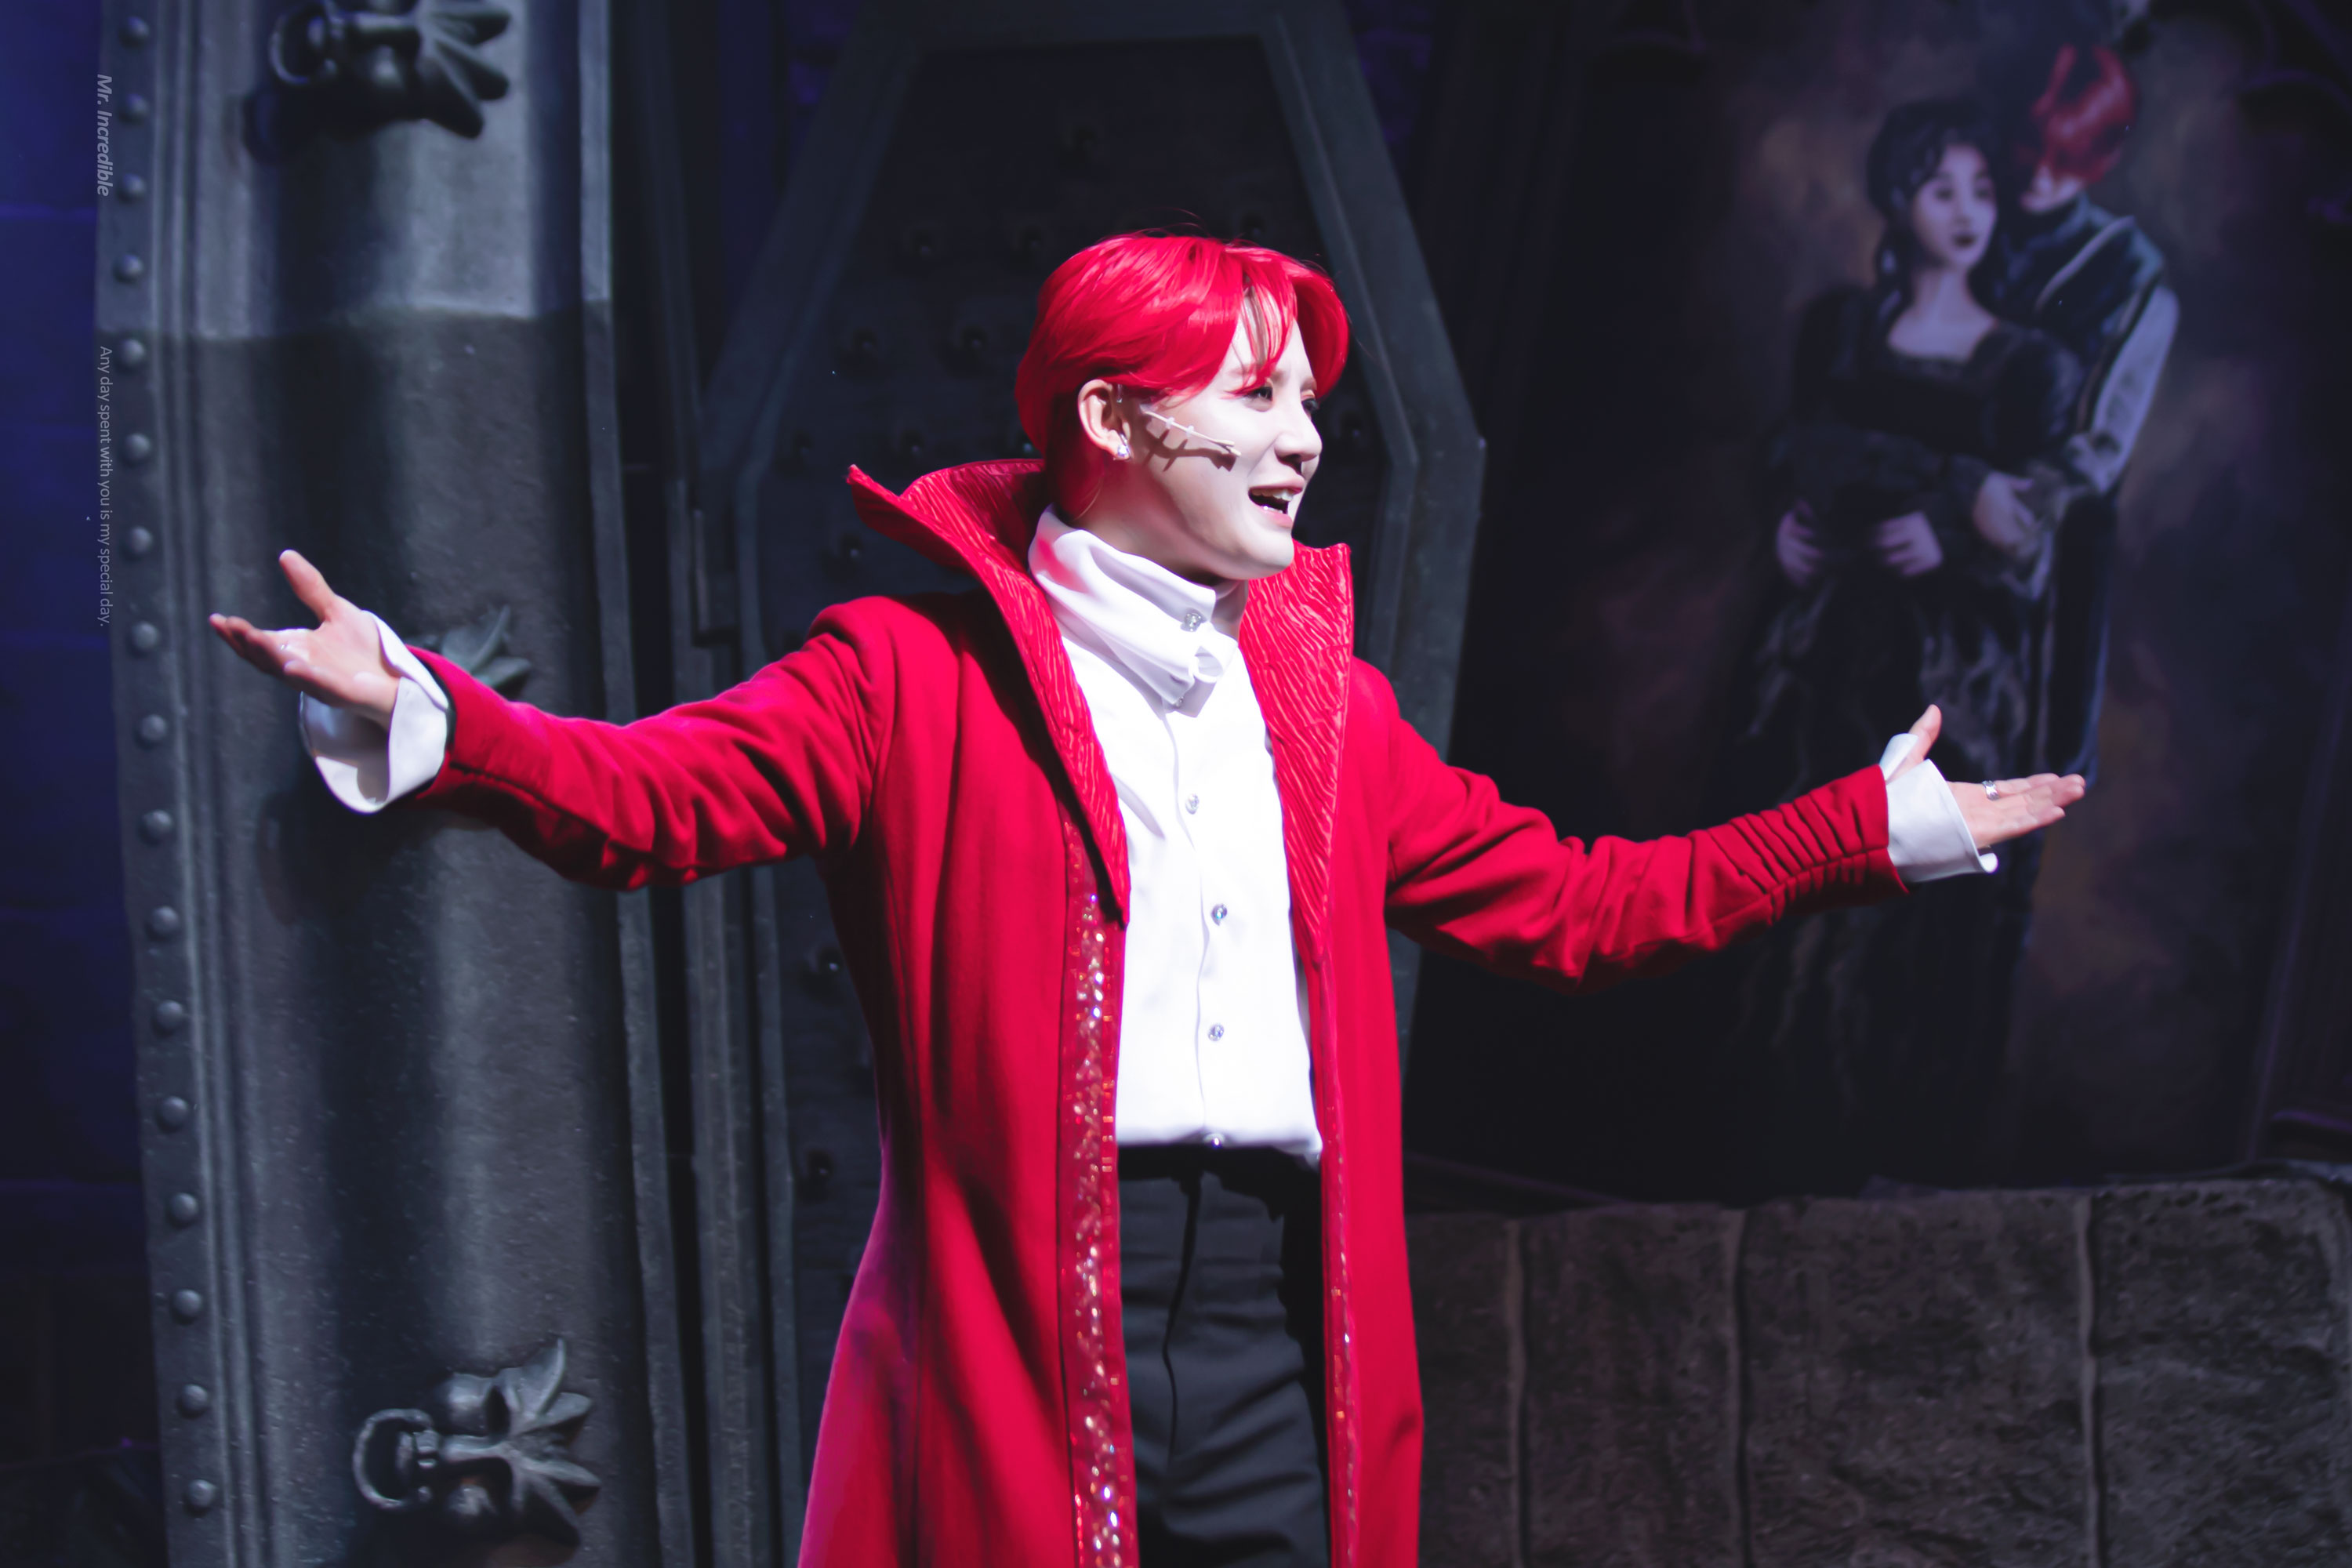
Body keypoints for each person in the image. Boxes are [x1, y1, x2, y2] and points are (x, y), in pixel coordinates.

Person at [210, 233, 2083, 1567]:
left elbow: (1580, 907)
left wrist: (1859, 829)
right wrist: (439, 715)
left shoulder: (1328, 712)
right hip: (1029, 1320)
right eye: (1253, 396)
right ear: (1111, 415)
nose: (1301, 440)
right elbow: (655, 798)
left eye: (1308, 401)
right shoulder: (904, 675)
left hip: (1281, 1319)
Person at [1719, 101, 2088, 1191]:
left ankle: (1860, 1161)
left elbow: (2036, 531)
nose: (1968, 212)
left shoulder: (2030, 367)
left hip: (1945, 674)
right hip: (1819, 651)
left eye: (1983, 190)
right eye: (1942, 189)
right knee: (1780, 862)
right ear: (1898, 199)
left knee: (1901, 910)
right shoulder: (1841, 329)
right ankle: (1747, 1133)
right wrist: (1785, 527)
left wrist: (1954, 534)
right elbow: (1793, 452)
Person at [1972, 42, 2176, 782]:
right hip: (1926, 505)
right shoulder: (1970, 210)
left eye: (2065, 158)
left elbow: (2099, 448)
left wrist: (1991, 506)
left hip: (2045, 543)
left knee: (2010, 762)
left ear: (2097, 159)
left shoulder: (2132, 273)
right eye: (2032, 147)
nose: (2039, 173)